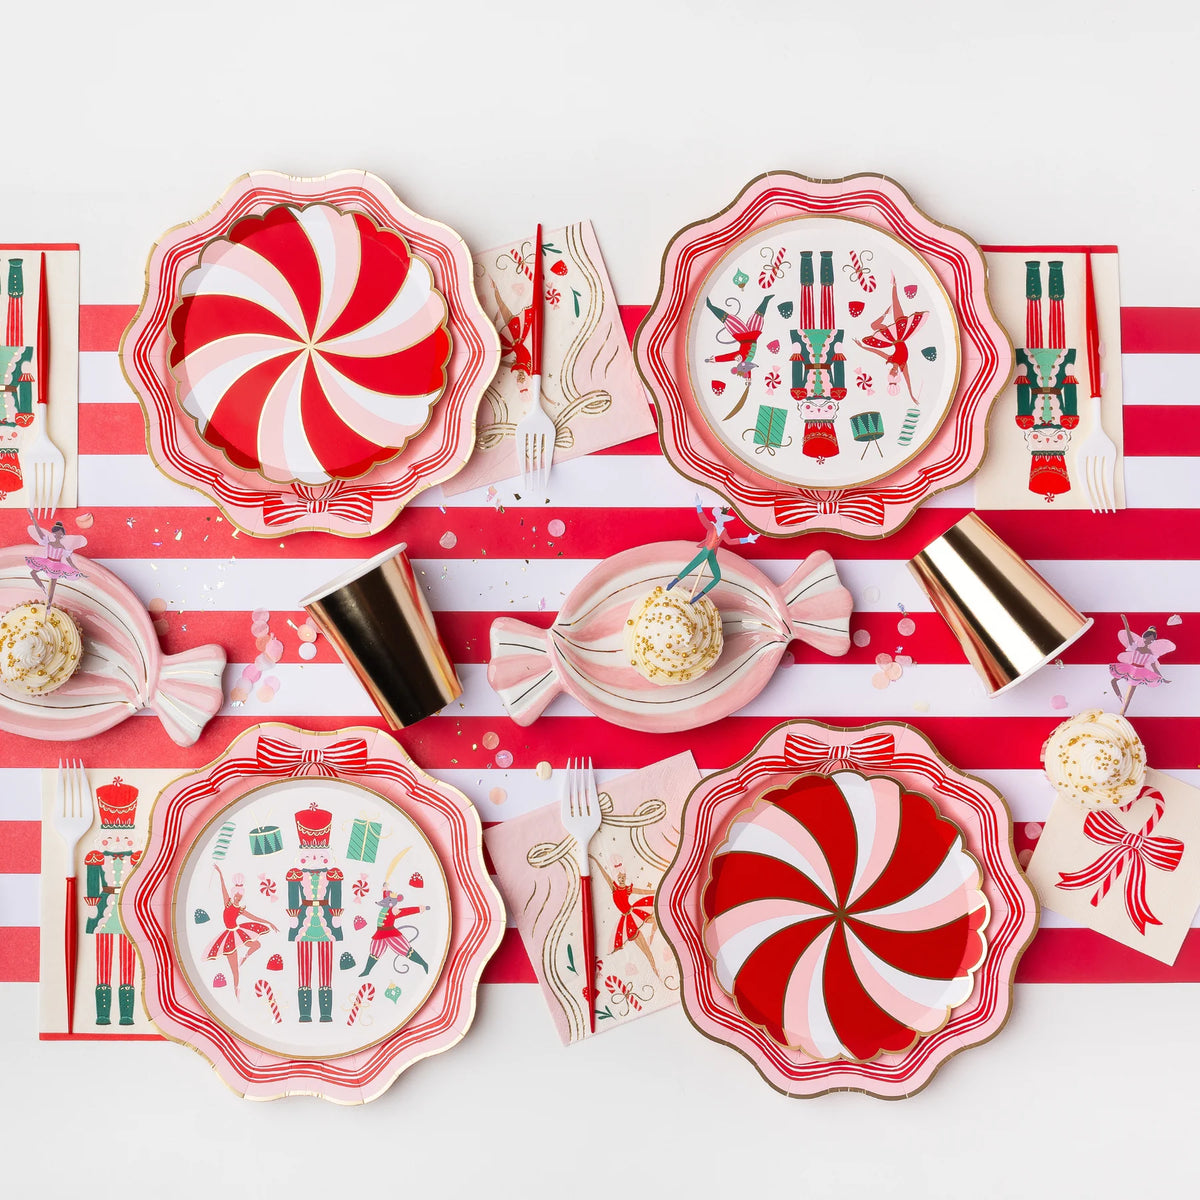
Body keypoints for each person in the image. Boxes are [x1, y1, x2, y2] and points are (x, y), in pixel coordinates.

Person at [665, 496, 759, 602]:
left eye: (723, 518)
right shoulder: (711, 526)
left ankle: (697, 597)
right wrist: (699, 506)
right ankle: (672, 583)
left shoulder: (723, 531)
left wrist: (747, 539)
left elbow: (730, 541)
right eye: (720, 517)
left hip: (712, 554)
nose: (721, 519)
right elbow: (703, 520)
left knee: (717, 577)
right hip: (705, 550)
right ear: (717, 517)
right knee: (690, 567)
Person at [854, 275, 928, 402]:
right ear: (898, 374)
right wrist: (911, 395)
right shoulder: (903, 365)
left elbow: (877, 352)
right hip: (901, 334)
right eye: (895, 373)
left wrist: (862, 346)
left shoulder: (891, 359)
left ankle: (886, 311)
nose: (893, 371)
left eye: (890, 373)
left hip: (893, 339)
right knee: (896, 305)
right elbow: (908, 379)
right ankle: (895, 285)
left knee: (874, 326)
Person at [206, 866, 276, 998]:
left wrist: (268, 922)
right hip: (228, 936)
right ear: (233, 894)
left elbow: (254, 917)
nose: (238, 898)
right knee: (234, 970)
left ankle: (245, 958)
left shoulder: (240, 909)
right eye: (237, 895)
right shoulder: (227, 903)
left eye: (240, 896)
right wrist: (220, 874)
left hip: (238, 932)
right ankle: (236, 990)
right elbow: (223, 888)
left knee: (257, 944)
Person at [589, 855, 660, 980]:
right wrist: (595, 861)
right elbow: (605, 874)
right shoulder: (614, 888)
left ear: (625, 877)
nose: (622, 879)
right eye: (619, 877)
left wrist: (656, 890)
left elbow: (642, 891)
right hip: (628, 921)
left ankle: (654, 940)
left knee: (656, 920)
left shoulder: (627, 889)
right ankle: (654, 969)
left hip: (635, 912)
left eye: (623, 877)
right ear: (616, 878)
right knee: (645, 949)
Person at [358, 888, 431, 977]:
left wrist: (419, 909)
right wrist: (385, 889)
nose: (385, 900)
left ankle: (423, 963)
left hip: (391, 934)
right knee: (374, 952)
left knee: (405, 950)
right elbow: (385, 899)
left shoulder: (393, 911)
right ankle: (367, 971)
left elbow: (406, 911)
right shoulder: (385, 906)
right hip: (380, 934)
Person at [704, 293, 773, 379]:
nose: (746, 367)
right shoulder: (747, 361)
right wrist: (749, 379)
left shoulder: (740, 357)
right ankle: (765, 300)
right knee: (758, 318)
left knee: (729, 320)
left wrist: (715, 359)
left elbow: (727, 357)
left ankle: (710, 307)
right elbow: (748, 367)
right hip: (753, 336)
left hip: (742, 335)